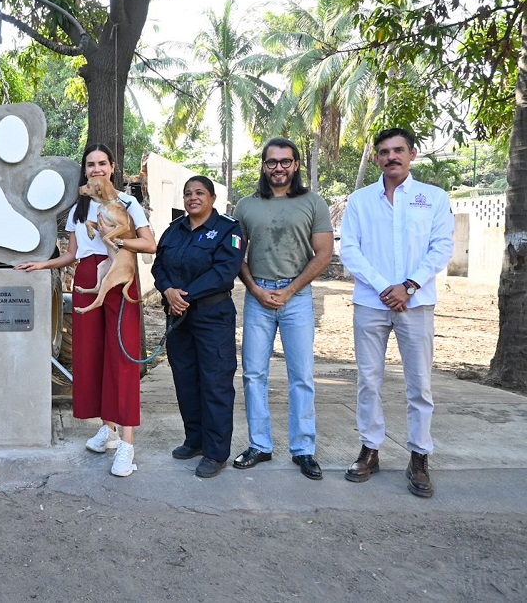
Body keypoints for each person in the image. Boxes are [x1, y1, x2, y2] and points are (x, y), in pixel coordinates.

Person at [18, 143, 156, 477]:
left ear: (112, 167)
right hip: (85, 278)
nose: (96, 169)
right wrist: (43, 264)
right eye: (90, 164)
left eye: (102, 163)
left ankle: (127, 444)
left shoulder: (127, 202)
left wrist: (118, 241)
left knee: (121, 358)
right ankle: (106, 429)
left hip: (118, 276)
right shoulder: (79, 209)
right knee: (91, 357)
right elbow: (72, 254)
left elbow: (150, 244)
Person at [339, 128, 454, 498]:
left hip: (416, 303)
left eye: (398, 150)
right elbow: (350, 250)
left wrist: (409, 286)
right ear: (376, 158)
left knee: (419, 384)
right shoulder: (359, 200)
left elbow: (441, 247)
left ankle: (419, 456)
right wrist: (384, 287)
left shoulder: (432, 198)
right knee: (368, 380)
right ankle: (370, 449)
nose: (392, 157)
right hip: (371, 303)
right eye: (384, 152)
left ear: (412, 154)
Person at [232, 138, 333, 480]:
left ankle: (303, 449)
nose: (279, 167)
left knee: (302, 376)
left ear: (296, 165)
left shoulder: (313, 203)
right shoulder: (246, 206)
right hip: (257, 297)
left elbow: (323, 254)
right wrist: (256, 289)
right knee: (253, 374)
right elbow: (236, 256)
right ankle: (259, 445)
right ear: (263, 166)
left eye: (285, 161)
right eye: (272, 162)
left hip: (298, 298)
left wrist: (290, 290)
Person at [151, 176, 245, 478]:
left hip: (212, 316)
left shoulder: (228, 229)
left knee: (215, 383)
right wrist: (167, 291)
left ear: (212, 198)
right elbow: (158, 266)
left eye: (199, 193)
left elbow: (224, 271)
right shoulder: (174, 230)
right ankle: (195, 440)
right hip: (179, 317)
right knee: (186, 380)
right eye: (188, 193)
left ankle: (216, 452)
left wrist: (183, 296)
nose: (193, 198)